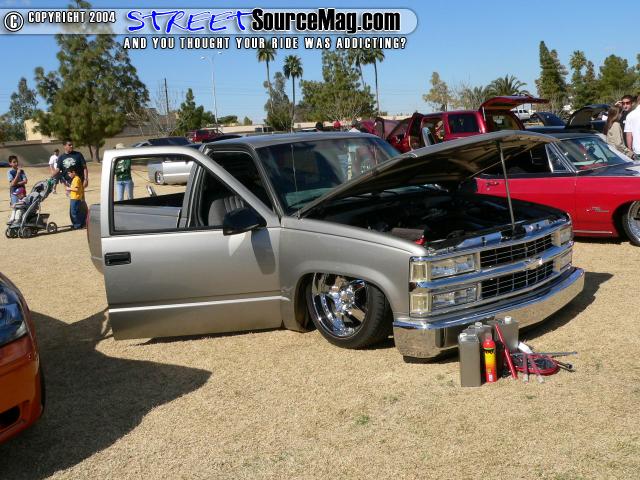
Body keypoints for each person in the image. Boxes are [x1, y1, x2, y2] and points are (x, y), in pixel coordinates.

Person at [624, 94, 640, 159]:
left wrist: (630, 151)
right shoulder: (630, 115)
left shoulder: (630, 115)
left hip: (638, 149)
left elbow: (629, 134)